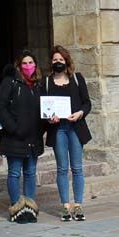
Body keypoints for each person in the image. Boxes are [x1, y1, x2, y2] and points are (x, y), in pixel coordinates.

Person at [42, 46, 92, 222]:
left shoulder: (77, 79)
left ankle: (78, 205)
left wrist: (80, 113)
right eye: (55, 60)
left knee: (77, 168)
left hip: (75, 128)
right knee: (62, 168)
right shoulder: (46, 82)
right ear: (51, 62)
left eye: (61, 60)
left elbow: (87, 104)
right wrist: (49, 118)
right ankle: (65, 206)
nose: (58, 63)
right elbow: (43, 108)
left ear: (67, 61)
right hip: (58, 130)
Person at [0, 51, 45, 223]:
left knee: (30, 172)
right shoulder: (10, 83)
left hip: (33, 137)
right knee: (15, 172)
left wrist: (44, 126)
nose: (28, 66)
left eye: (31, 62)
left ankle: (30, 208)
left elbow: (44, 109)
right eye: (24, 63)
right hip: (14, 137)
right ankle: (17, 209)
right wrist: (14, 128)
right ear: (18, 66)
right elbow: (0, 107)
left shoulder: (38, 85)